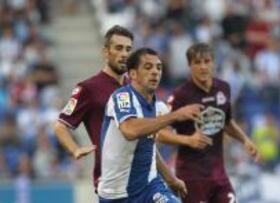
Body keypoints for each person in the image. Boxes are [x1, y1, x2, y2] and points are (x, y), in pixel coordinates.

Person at [53, 26, 185, 196]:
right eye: (118, 48)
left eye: (128, 49)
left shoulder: (138, 88)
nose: (124, 54)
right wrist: (75, 149)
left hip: (143, 181)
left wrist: (170, 178)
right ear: (106, 52)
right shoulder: (88, 88)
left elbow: (146, 142)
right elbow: (60, 126)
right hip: (113, 184)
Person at [158, 43, 260, 203]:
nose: (203, 67)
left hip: (218, 174)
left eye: (207, 61)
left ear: (214, 62)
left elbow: (226, 122)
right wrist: (188, 140)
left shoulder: (224, 88)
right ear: (189, 66)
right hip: (191, 176)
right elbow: (159, 133)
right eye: (197, 63)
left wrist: (244, 140)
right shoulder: (180, 96)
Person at [98, 48, 202, 202]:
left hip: (149, 188)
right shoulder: (122, 97)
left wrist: (171, 179)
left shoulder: (158, 108)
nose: (155, 72)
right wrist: (175, 115)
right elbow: (130, 130)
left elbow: (150, 146)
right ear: (133, 74)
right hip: (116, 195)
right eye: (148, 67)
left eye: (158, 68)